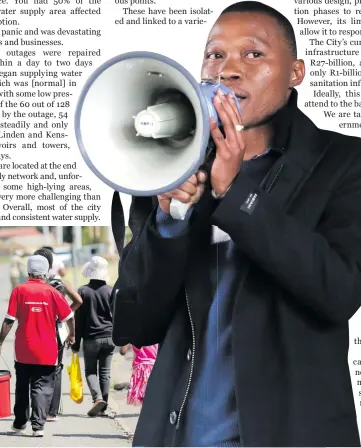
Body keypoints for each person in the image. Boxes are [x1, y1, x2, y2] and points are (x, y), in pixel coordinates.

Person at [120, 2, 361, 446]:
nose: (227, 70)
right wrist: (170, 221)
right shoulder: (167, 170)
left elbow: (339, 291)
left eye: (253, 55)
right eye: (215, 55)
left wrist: (235, 195)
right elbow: (135, 324)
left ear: (295, 72)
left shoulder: (345, 163)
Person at [0, 255, 75, 437]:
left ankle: (20, 423)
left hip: (23, 349)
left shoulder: (19, 290)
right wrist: (72, 335)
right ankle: (38, 427)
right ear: (45, 273)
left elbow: (9, 320)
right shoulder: (53, 292)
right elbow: (69, 317)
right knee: (42, 386)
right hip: (47, 349)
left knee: (22, 386)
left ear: (28, 271)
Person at [33, 247, 83, 422]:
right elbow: (79, 300)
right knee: (56, 368)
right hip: (59, 331)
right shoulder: (59, 281)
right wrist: (65, 315)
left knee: (38, 368)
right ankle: (52, 412)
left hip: (38, 329)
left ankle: (39, 409)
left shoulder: (35, 283)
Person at [71, 256, 114, 417]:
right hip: (110, 337)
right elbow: (117, 316)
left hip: (91, 338)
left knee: (90, 371)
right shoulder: (110, 291)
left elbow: (79, 321)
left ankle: (97, 399)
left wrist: (76, 342)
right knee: (105, 372)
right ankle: (103, 407)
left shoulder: (82, 291)